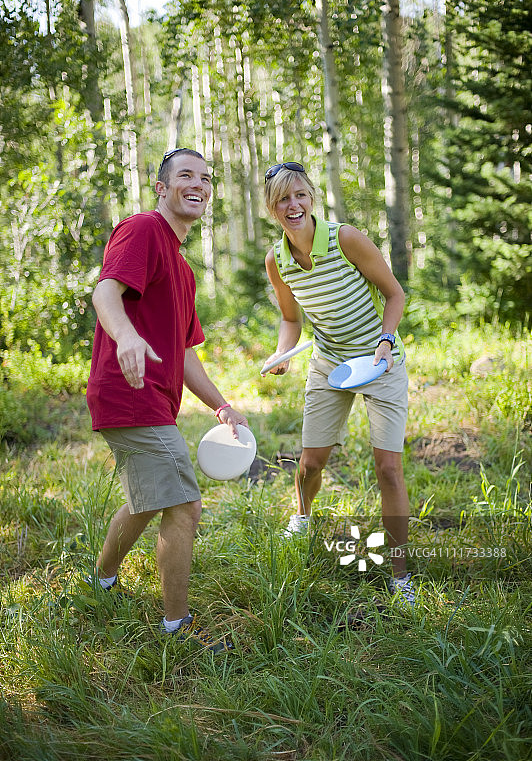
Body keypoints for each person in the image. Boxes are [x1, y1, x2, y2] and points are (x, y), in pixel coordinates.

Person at [86, 148, 247, 652]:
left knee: (146, 498)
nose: (197, 184)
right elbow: (105, 295)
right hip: (129, 393)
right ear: (162, 187)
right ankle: (178, 628)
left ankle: (101, 583)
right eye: (185, 176)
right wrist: (128, 338)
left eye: (206, 178)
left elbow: (183, 353)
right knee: (184, 505)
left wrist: (220, 405)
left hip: (152, 399)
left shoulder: (182, 268)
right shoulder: (142, 230)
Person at [261, 162, 415, 604]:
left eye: (299, 195)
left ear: (311, 197)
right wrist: (282, 353)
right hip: (329, 364)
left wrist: (386, 341)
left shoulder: (345, 238)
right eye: (282, 200)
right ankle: (303, 519)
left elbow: (395, 293)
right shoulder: (278, 260)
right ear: (273, 208)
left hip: (379, 361)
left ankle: (399, 574)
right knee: (310, 464)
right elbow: (291, 320)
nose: (293, 206)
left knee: (388, 468)